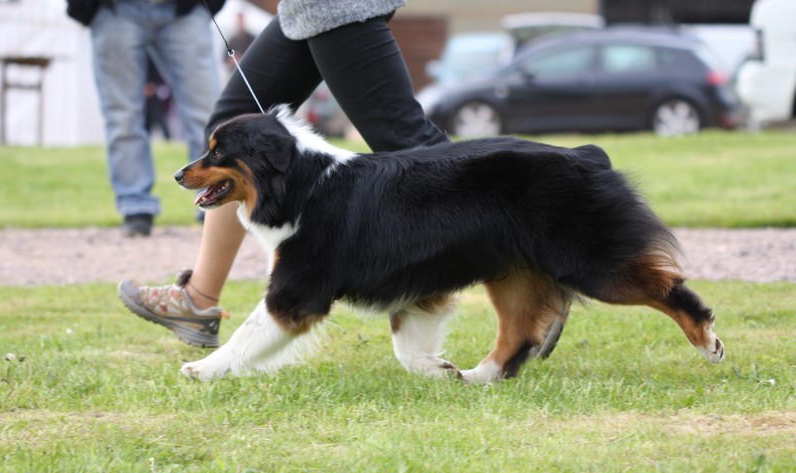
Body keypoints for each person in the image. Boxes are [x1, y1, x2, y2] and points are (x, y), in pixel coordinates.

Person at [119, 0, 568, 355]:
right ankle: (198, 300)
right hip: (303, 8)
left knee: (404, 139)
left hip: (336, 4)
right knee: (231, 125)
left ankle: (536, 254)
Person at [65, 0, 225, 237]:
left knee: (208, 113)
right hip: (114, 10)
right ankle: (135, 207)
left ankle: (215, 199)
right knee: (122, 116)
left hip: (183, 9)